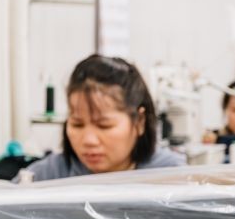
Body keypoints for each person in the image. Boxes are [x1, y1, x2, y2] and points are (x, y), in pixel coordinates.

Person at [21, 55, 183, 182]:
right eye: (77, 124)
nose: (89, 140)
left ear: (139, 122)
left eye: (104, 125)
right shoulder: (48, 175)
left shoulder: (170, 176)